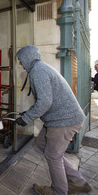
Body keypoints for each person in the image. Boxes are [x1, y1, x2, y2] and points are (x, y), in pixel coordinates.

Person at [15, 45, 92, 195]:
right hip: (60, 119)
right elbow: (45, 101)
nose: (20, 64)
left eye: (21, 60)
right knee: (42, 143)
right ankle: (77, 182)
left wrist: (27, 118)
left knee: (53, 156)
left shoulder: (38, 71)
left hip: (64, 121)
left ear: (27, 58)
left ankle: (59, 191)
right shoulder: (40, 68)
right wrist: (28, 113)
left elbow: (45, 102)